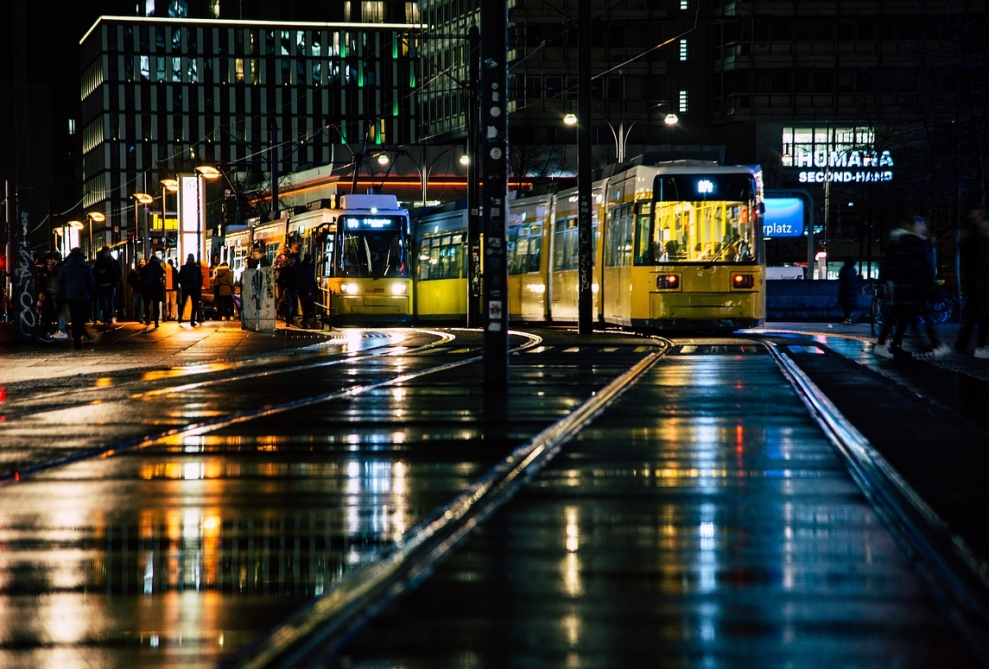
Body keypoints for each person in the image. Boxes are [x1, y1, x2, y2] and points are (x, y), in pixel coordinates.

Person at [873, 215, 950, 359]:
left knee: (899, 316)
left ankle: (889, 345)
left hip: (900, 286)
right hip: (912, 287)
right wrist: (929, 286)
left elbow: (889, 264)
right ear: (914, 226)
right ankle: (934, 346)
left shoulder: (898, 240)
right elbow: (921, 267)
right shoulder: (914, 242)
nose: (924, 228)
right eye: (922, 225)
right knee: (918, 316)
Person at [954, 206, 989, 357]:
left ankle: (963, 344)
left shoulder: (970, 234)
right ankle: (980, 347)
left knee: (971, 316)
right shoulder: (979, 236)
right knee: (985, 316)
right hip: (982, 282)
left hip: (974, 282)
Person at [57, 247, 96, 350]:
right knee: (81, 317)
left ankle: (76, 338)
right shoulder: (86, 267)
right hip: (83, 296)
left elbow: (60, 281)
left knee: (74, 317)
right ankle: (81, 333)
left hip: (71, 296)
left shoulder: (65, 267)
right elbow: (92, 282)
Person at [92, 246, 122, 325]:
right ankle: (107, 317)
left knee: (108, 301)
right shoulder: (111, 262)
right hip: (105, 284)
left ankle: (108, 317)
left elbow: (118, 273)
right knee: (106, 301)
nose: (106, 254)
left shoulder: (106, 262)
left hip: (109, 284)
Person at [178, 253, 203, 327]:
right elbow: (200, 279)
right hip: (194, 288)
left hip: (187, 288)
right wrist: (198, 286)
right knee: (194, 305)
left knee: (183, 304)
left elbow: (179, 278)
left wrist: (184, 285)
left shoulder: (183, 268)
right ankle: (192, 320)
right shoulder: (197, 268)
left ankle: (180, 318)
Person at [141, 254, 166, 328]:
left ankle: (147, 318)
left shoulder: (147, 266)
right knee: (156, 305)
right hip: (156, 288)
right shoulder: (158, 266)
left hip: (147, 288)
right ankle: (156, 321)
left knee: (146, 304)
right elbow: (161, 274)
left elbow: (141, 274)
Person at [276, 253, 300, 325]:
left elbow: (299, 279)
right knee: (288, 304)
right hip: (288, 290)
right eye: (291, 259)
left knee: (295, 305)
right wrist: (284, 287)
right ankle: (288, 320)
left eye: (293, 259)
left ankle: (291, 317)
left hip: (295, 289)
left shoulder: (297, 269)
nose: (292, 261)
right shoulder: (285, 269)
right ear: (288, 260)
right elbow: (279, 280)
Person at [297, 253, 318, 328]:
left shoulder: (304, 267)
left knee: (307, 306)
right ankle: (305, 322)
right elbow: (306, 281)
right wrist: (308, 291)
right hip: (306, 291)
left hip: (304, 290)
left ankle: (305, 320)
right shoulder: (306, 268)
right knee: (308, 306)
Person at [837, 257, 860, 324]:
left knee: (845, 306)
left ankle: (847, 318)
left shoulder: (844, 269)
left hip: (845, 290)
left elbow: (841, 278)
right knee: (850, 305)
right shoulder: (853, 270)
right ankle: (849, 318)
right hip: (852, 290)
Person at [128, 258, 146, 323]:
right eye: (141, 262)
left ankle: (140, 317)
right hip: (136, 290)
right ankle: (138, 316)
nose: (142, 263)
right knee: (135, 304)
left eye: (143, 262)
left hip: (143, 291)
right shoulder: (135, 271)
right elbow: (129, 279)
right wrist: (133, 285)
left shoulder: (146, 271)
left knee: (141, 304)